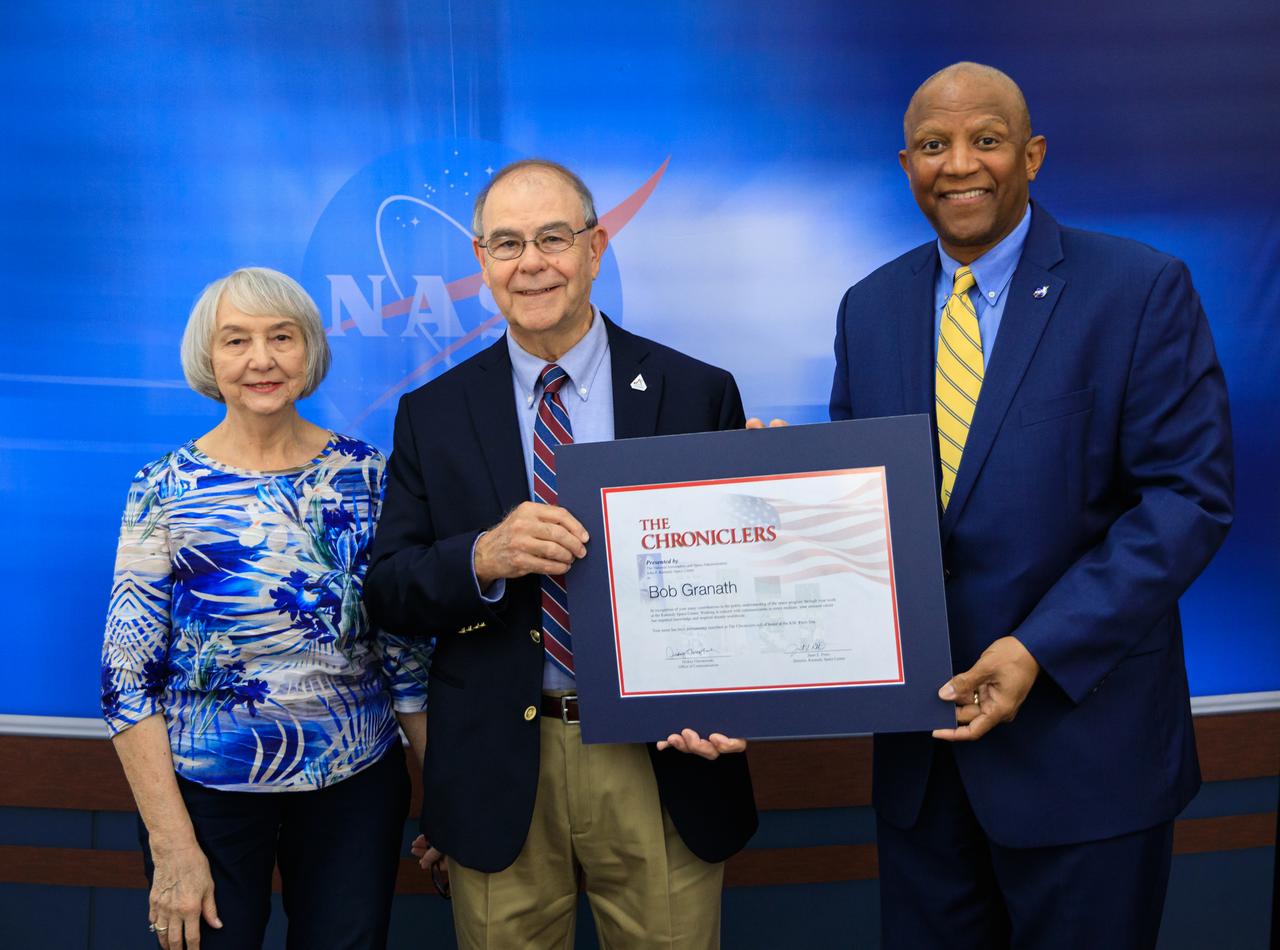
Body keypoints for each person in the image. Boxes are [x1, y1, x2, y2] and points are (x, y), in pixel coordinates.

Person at [829, 63, 1234, 949]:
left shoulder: (1138, 289)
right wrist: (778, 501)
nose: (960, 164)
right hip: (923, 777)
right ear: (907, 165)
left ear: (1033, 155)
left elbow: (1187, 500)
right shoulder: (870, 309)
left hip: (1086, 763)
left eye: (987, 140)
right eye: (934, 146)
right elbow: (863, 517)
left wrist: (1034, 650)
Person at [365, 159, 758, 948]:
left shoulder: (696, 392)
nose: (531, 262)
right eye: (507, 244)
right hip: (499, 770)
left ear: (596, 248)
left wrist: (779, 506)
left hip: (662, 760)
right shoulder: (432, 413)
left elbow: (741, 580)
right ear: (480, 261)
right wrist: (483, 556)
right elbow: (389, 591)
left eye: (553, 237)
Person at [101, 267, 431, 949]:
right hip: (206, 799)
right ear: (208, 358)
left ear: (308, 350)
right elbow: (125, 682)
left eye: (281, 337)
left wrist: (453, 809)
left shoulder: (369, 477)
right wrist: (172, 847)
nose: (261, 360)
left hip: (353, 788)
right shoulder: (162, 489)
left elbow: (407, 661)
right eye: (236, 341)